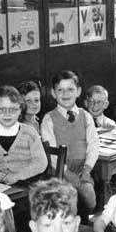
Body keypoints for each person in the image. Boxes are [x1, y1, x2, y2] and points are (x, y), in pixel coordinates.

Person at [41, 70, 99, 217]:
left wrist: (87, 170)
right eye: (60, 90)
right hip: (59, 172)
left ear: (78, 91)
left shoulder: (86, 116)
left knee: (90, 197)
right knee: (69, 202)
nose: (65, 94)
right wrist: (67, 173)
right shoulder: (49, 119)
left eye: (70, 89)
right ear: (53, 93)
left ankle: (86, 222)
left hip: (82, 171)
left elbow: (93, 146)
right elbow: (52, 154)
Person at [0, 85, 47, 185]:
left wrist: (18, 176)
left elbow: (41, 163)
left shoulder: (30, 133)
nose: (7, 114)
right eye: (2, 109)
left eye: (12, 109)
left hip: (26, 186)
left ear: (20, 110)